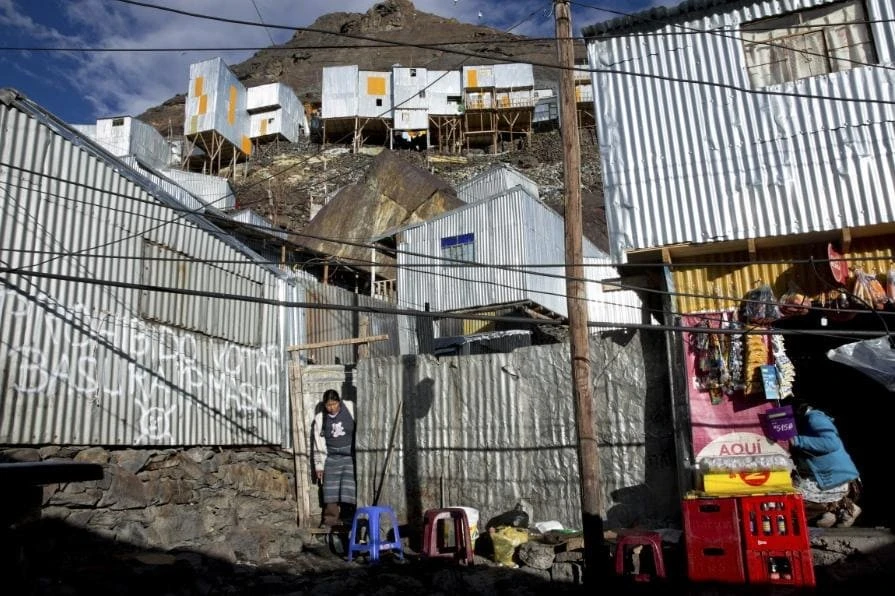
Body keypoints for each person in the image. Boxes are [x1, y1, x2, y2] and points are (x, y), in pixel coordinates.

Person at [787, 401, 862, 528]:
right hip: (825, 475)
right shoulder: (808, 421)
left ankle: (843, 507)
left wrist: (797, 440)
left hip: (836, 477)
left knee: (793, 498)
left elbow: (831, 443)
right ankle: (832, 511)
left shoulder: (814, 417)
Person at [312, 389, 356, 527]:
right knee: (329, 488)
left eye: (334, 404)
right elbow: (317, 443)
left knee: (349, 488)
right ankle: (330, 520)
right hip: (331, 457)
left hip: (349, 456)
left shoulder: (351, 408)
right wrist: (319, 466)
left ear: (339, 401)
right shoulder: (320, 418)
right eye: (328, 405)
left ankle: (349, 518)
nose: (331, 408)